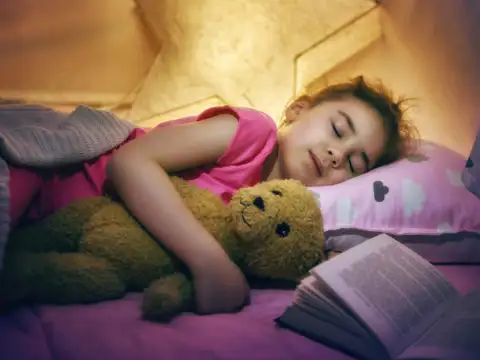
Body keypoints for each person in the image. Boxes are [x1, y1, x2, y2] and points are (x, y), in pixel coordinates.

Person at [8, 76, 418, 315]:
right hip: (52, 181)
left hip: (76, 236)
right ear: (298, 109)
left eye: (353, 163)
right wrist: (209, 262)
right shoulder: (252, 135)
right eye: (338, 130)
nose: (335, 154)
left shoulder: (278, 214)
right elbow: (129, 163)